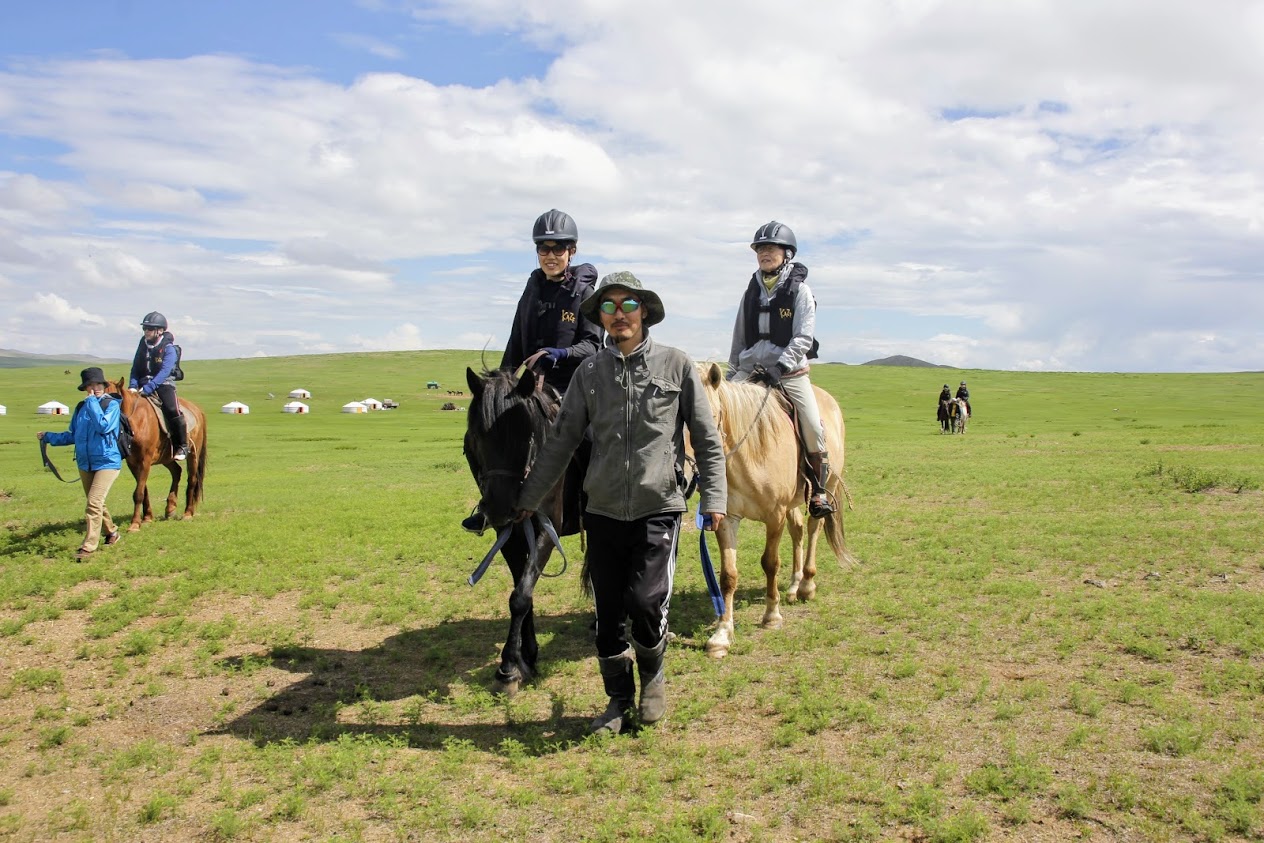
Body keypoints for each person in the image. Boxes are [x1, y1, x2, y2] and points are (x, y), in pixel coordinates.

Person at [515, 272, 727, 735]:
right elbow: (562, 441)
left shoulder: (676, 365)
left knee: (646, 601)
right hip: (603, 510)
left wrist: (714, 497)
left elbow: (707, 439)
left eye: (627, 305)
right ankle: (616, 702)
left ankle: (653, 679)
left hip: (659, 506)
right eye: (607, 308)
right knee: (607, 614)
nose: (618, 315)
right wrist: (528, 499)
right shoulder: (590, 374)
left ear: (644, 311)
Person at [462, 209, 603, 534]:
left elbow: (593, 345)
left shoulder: (584, 294)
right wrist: (497, 386)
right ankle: (489, 504)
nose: (551, 256)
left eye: (558, 249)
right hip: (528, 389)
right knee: (477, 437)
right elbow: (515, 344)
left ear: (572, 251)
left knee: (591, 439)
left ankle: (592, 509)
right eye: (544, 249)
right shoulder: (531, 292)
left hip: (571, 386)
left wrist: (561, 354)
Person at [727, 220, 834, 517]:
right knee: (715, 412)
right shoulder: (749, 293)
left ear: (787, 253)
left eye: (771, 248)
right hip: (750, 371)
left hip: (789, 374)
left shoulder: (800, 292)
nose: (764, 253)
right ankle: (712, 482)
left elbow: (803, 337)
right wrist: (730, 375)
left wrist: (781, 367)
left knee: (812, 425)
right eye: (760, 249)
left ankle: (818, 492)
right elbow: (738, 338)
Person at [36, 368, 124, 560]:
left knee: (94, 502)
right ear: (85, 388)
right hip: (85, 463)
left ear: (104, 385)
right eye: (90, 385)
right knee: (97, 502)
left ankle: (89, 547)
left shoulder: (112, 405)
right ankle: (112, 533)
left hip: (108, 461)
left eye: (98, 384)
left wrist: (92, 401)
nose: (95, 388)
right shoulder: (80, 408)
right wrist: (49, 437)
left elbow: (103, 427)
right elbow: (73, 436)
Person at [129, 311, 189, 461]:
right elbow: (136, 366)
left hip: (163, 384)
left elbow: (164, 371)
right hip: (142, 384)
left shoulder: (168, 348)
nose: (146, 332)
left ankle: (182, 445)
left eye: (149, 329)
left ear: (160, 330)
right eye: (145, 329)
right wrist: (132, 385)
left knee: (171, 409)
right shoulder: (142, 344)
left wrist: (149, 387)